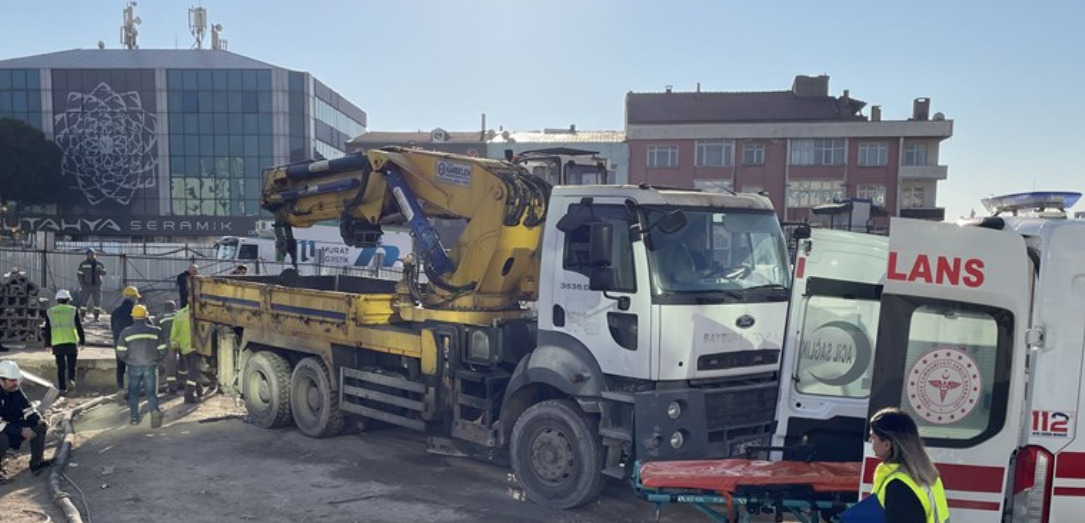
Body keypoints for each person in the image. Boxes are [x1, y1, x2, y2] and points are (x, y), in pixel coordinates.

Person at [869, 407, 949, 523]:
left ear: (887, 444)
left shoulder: (897, 485)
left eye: (873, 437)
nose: (870, 440)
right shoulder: (930, 476)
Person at [0, 360, 53, 482]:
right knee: (2, 439)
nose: (15, 383)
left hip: (12, 426)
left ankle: (36, 463)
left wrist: (38, 419)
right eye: (11, 380)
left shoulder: (16, 390)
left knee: (40, 426)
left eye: (16, 380)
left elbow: (27, 409)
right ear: (2, 380)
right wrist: (21, 431)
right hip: (4, 430)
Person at [116, 305, 166, 427]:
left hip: (133, 366)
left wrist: (128, 360)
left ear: (133, 317)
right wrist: (157, 359)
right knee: (151, 392)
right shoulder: (156, 331)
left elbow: (120, 351)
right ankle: (154, 411)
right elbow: (163, 349)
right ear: (146, 316)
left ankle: (134, 418)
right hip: (150, 365)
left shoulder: (126, 332)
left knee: (133, 392)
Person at [43, 289, 86, 396]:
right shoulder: (72, 310)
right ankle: (71, 380)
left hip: (57, 342)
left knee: (61, 367)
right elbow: (79, 326)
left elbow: (47, 329)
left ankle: (62, 388)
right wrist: (82, 341)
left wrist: (47, 344)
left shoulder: (50, 311)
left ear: (57, 300)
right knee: (72, 365)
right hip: (71, 340)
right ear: (68, 300)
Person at [110, 286, 141, 398]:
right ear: (133, 298)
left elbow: (113, 328)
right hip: (134, 344)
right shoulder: (136, 311)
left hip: (119, 343)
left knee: (120, 367)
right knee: (134, 367)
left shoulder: (115, 312)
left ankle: (120, 389)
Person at [170, 304, 202, 404]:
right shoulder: (199, 313)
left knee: (193, 370)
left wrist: (175, 346)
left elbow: (174, 333)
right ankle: (188, 396)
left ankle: (199, 390)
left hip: (184, 348)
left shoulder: (179, 314)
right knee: (193, 372)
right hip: (196, 347)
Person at [156, 301, 180, 395]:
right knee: (185, 363)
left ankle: (172, 387)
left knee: (170, 364)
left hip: (169, 341)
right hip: (182, 339)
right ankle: (186, 384)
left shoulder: (160, 317)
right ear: (174, 307)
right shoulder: (179, 314)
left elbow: (157, 332)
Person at [76, 248, 107, 321]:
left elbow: (104, 272)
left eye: (93, 254)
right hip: (86, 286)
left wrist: (100, 270)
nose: (91, 256)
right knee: (84, 301)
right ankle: (82, 316)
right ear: (87, 255)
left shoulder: (99, 264)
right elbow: (79, 274)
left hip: (97, 286)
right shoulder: (83, 264)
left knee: (97, 302)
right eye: (89, 254)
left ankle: (96, 317)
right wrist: (82, 284)